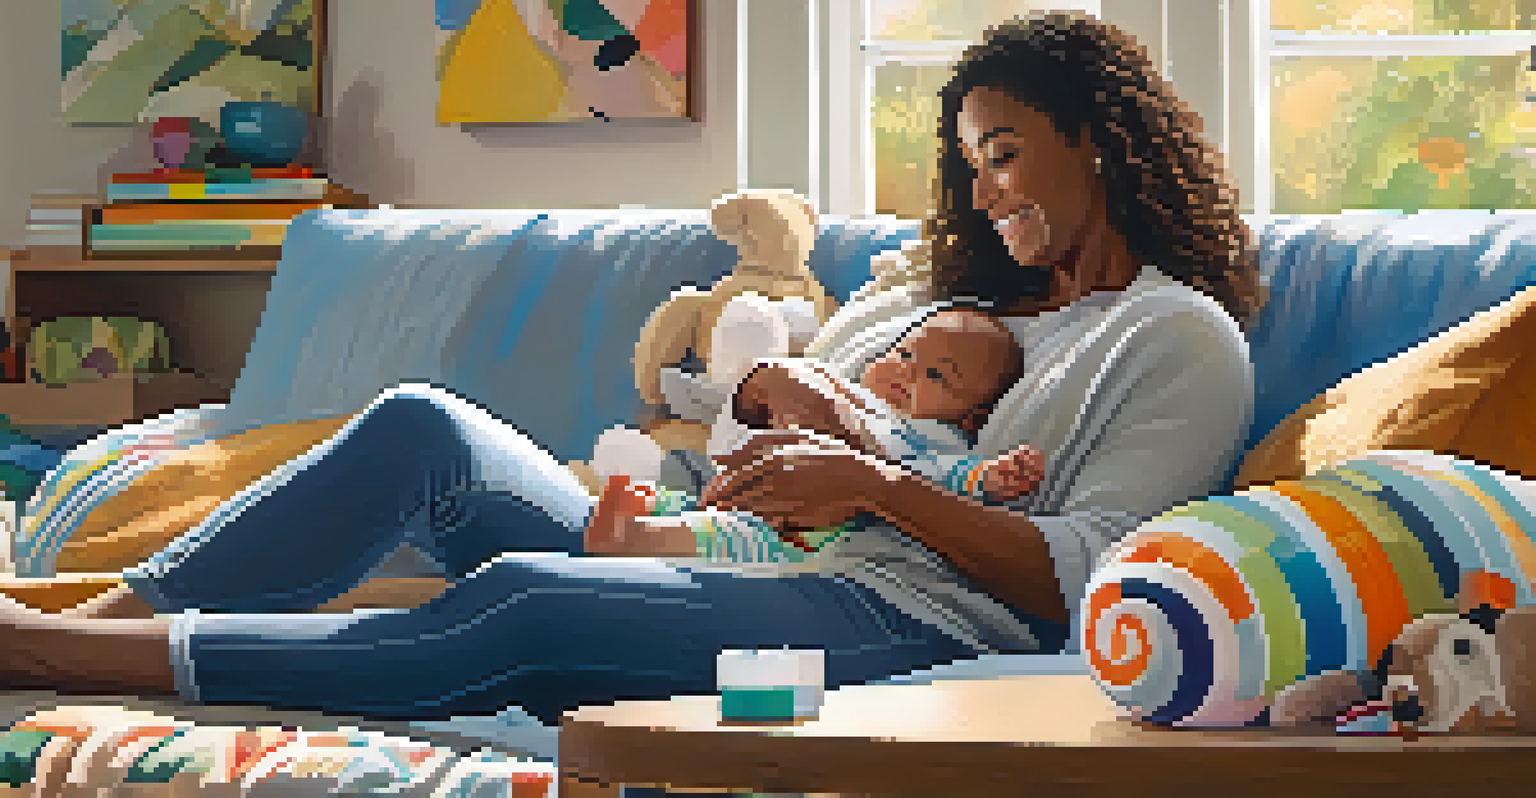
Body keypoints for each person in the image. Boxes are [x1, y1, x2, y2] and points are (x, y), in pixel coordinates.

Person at [0, 11, 1263, 728]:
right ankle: (84, 632)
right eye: (971, 165)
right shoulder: (924, 290)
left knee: (528, 602)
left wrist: (877, 488)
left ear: (1100, 141)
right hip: (713, 537)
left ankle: (60, 665)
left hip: (897, 607)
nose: (984, 194)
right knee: (422, 429)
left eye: (1007, 154)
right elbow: (744, 406)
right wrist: (775, 397)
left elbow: (1089, 579)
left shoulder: (1173, 338)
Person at [586, 306, 1048, 559]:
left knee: (738, 539)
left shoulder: (928, 437)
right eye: (905, 354)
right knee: (704, 502)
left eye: (937, 376)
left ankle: (640, 538)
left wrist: (987, 476)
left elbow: (939, 477)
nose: (907, 372)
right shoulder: (850, 395)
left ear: (969, 418)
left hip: (809, 533)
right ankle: (648, 504)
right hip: (743, 483)